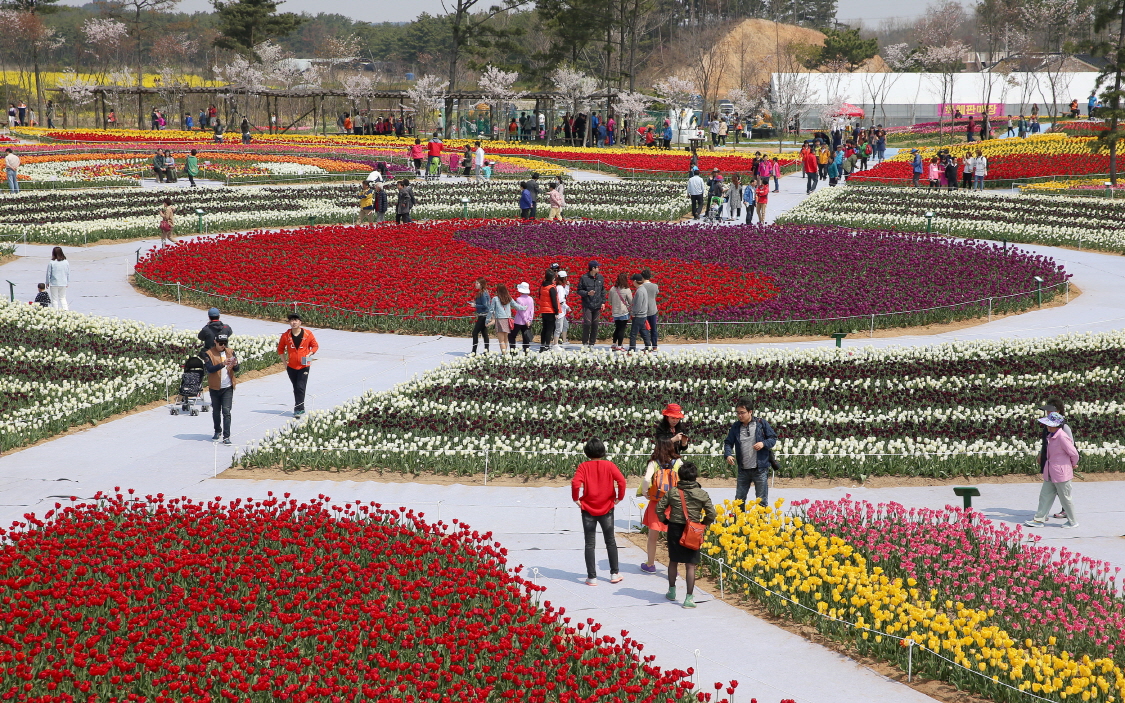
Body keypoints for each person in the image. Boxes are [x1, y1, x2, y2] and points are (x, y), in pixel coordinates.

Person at [655, 461, 716, 609]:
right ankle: (689, 598)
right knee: (690, 565)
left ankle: (671, 591)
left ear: (680, 476)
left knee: (673, 561)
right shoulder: (702, 493)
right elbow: (712, 514)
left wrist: (666, 521)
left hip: (675, 528)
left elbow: (659, 509)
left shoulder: (673, 492)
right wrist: (702, 523)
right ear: (695, 476)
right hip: (693, 530)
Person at [571, 437, 626, 586]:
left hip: (588, 508)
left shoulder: (583, 466)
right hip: (607, 507)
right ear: (603, 451)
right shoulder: (609, 465)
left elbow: (575, 483)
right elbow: (622, 481)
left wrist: (576, 498)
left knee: (590, 543)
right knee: (610, 541)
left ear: (587, 452)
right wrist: (619, 497)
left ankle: (592, 577)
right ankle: (614, 573)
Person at [1024, 412, 1080, 529]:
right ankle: (1039, 520)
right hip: (1050, 472)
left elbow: (1074, 453)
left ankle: (1073, 521)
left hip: (1061, 473)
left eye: (1049, 424)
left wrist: (1073, 464)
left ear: (1056, 425)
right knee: (1045, 496)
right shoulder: (1051, 436)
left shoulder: (1062, 437)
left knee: (1065, 498)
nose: (1047, 426)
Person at [637, 438, 683, 573]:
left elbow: (646, 479)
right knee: (673, 537)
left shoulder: (654, 463)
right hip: (673, 503)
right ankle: (673, 566)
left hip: (657, 503)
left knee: (653, 536)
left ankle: (650, 564)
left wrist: (645, 492)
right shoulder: (678, 462)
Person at [723, 397, 777, 508]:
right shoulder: (736, 427)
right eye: (738, 413)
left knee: (761, 502)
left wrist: (763, 444)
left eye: (742, 413)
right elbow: (728, 442)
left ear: (750, 412)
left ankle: (761, 524)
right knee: (739, 501)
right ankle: (739, 524)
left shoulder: (761, 424)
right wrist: (728, 454)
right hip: (743, 469)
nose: (739, 416)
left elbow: (773, 438)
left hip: (760, 469)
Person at [277, 313, 318, 417]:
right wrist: (285, 363)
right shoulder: (286, 335)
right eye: (291, 320)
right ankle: (299, 407)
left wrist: (310, 353)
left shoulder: (308, 334)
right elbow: (280, 349)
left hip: (305, 363)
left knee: (300, 386)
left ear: (300, 322)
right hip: (291, 365)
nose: (293, 322)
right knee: (296, 387)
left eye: (296, 320)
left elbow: (315, 346)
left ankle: (299, 408)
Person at [201, 334, 238, 444]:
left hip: (227, 387)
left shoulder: (230, 352)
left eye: (225, 343)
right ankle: (217, 431)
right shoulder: (209, 354)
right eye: (220, 343)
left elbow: (237, 368)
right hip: (215, 387)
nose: (223, 346)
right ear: (215, 342)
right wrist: (222, 364)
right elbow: (210, 369)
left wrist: (235, 365)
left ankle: (226, 436)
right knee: (216, 411)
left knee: (226, 411)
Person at [576, 262, 605, 349]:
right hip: (587, 304)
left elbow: (603, 291)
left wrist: (603, 302)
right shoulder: (584, 278)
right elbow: (579, 290)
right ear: (593, 268)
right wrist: (587, 293)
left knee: (595, 324)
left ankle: (592, 343)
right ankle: (585, 342)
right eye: (597, 267)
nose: (599, 268)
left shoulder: (600, 277)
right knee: (588, 323)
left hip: (597, 304)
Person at [627, 273, 651, 352]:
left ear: (635, 281)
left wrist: (633, 313)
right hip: (643, 314)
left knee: (633, 333)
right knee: (643, 331)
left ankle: (632, 349)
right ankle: (648, 347)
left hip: (639, 315)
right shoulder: (643, 289)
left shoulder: (640, 291)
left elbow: (638, 304)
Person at [509, 281, 536, 353]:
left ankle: (513, 351)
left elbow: (521, 311)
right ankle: (526, 352)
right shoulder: (531, 299)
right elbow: (532, 310)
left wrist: (525, 320)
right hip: (528, 322)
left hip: (519, 321)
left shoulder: (519, 299)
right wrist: (529, 320)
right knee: (525, 337)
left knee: (512, 336)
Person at [608, 272, 632, 351]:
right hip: (623, 311)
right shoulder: (627, 290)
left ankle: (614, 344)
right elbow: (631, 301)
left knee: (617, 328)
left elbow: (609, 300)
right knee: (622, 329)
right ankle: (619, 345)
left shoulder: (612, 289)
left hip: (615, 311)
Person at [537, 269, 559, 352]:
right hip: (550, 311)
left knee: (544, 328)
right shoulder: (551, 288)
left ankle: (542, 346)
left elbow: (540, 297)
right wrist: (556, 311)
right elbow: (554, 301)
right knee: (550, 329)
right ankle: (547, 346)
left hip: (543, 310)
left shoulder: (542, 286)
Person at [641, 268, 659, 350]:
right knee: (653, 328)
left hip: (644, 310)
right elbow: (657, 293)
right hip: (652, 309)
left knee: (645, 329)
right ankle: (654, 345)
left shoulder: (641, 287)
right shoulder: (655, 286)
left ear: (642, 277)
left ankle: (647, 345)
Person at [553, 270, 571, 348]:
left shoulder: (561, 287)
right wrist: (567, 307)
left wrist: (567, 286)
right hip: (560, 311)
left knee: (565, 325)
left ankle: (564, 341)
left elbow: (565, 294)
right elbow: (560, 300)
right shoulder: (559, 288)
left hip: (562, 312)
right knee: (558, 328)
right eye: (566, 277)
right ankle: (555, 344)